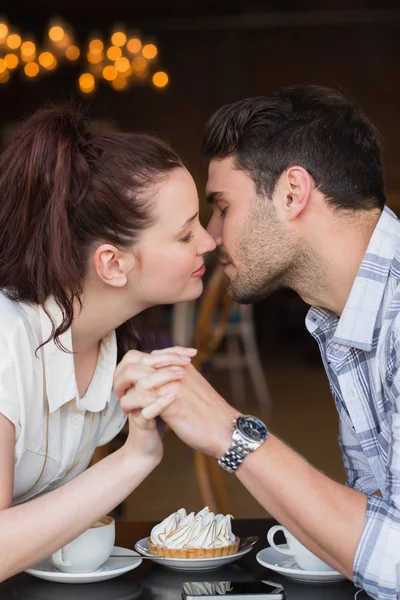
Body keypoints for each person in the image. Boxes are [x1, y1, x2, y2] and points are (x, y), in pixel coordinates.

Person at [116, 85, 400, 599]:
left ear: (293, 192)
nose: (211, 235)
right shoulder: (343, 316)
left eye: (222, 206)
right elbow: (379, 511)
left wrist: (232, 433)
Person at [0, 106, 215, 581]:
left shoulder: (108, 349)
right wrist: (135, 457)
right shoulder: (6, 340)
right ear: (112, 264)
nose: (209, 241)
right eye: (185, 234)